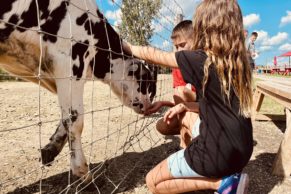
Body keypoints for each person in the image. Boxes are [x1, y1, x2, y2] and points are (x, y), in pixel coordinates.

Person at [123, 0, 253, 193]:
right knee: (186, 116)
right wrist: (184, 106)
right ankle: (210, 168)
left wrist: (128, 46)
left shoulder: (201, 60)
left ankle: (222, 183)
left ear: (205, 28)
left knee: (153, 182)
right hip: (242, 150)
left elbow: (152, 54)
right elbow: (217, 106)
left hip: (218, 154)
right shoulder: (239, 62)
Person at [145, 20, 196, 148]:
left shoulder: (206, 62)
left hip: (211, 113)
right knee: (162, 126)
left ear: (197, 41)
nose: (178, 51)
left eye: (182, 45)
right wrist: (163, 103)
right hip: (192, 108)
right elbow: (180, 104)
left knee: (181, 92)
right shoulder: (178, 66)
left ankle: (185, 147)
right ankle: (191, 133)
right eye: (176, 47)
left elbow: (213, 104)